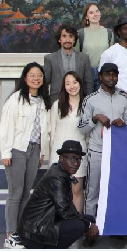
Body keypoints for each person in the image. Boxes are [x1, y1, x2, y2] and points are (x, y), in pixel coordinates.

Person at [0, 62, 51, 249]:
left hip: (35, 150)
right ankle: (10, 235)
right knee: (16, 193)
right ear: (25, 77)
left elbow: (44, 130)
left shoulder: (43, 101)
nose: (36, 78)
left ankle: (19, 232)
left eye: (40, 75)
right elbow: (5, 127)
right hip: (17, 149)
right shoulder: (16, 99)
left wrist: (42, 153)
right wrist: (6, 152)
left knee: (27, 193)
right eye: (32, 75)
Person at [17, 140, 99, 249]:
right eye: (72, 158)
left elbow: (67, 207)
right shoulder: (57, 178)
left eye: (79, 159)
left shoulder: (61, 173)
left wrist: (88, 223)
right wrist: (88, 226)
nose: (76, 163)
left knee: (89, 219)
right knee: (79, 226)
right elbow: (65, 211)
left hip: (47, 221)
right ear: (61, 158)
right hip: (34, 232)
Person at [78, 63, 127, 218]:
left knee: (117, 190)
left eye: (114, 74)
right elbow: (81, 128)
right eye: (107, 74)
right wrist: (95, 118)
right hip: (97, 152)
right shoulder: (90, 99)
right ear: (100, 77)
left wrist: (124, 124)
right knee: (92, 191)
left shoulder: (124, 99)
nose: (111, 78)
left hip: (117, 153)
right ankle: (90, 225)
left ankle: (115, 225)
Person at [49, 71, 88, 213]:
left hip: (78, 154)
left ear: (80, 84)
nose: (72, 86)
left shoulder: (87, 104)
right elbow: (52, 131)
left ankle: (77, 223)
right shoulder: (58, 105)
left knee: (76, 191)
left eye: (75, 82)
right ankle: (57, 224)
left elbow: (89, 133)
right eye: (68, 83)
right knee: (58, 191)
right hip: (59, 153)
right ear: (64, 87)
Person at [99, 16, 127, 124]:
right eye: (125, 28)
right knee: (116, 129)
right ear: (119, 31)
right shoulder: (110, 53)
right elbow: (101, 77)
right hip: (115, 96)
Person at [44, 25, 93, 105]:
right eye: (64, 36)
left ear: (74, 39)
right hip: (56, 101)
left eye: (71, 36)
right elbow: (45, 83)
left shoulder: (84, 58)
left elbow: (89, 83)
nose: (67, 40)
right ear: (59, 39)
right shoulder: (50, 58)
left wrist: (88, 102)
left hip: (80, 101)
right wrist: (46, 102)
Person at [76, 3, 114, 91]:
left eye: (97, 11)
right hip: (87, 74)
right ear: (86, 16)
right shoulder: (80, 33)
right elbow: (77, 57)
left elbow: (111, 56)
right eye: (91, 12)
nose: (95, 14)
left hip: (104, 73)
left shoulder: (108, 33)